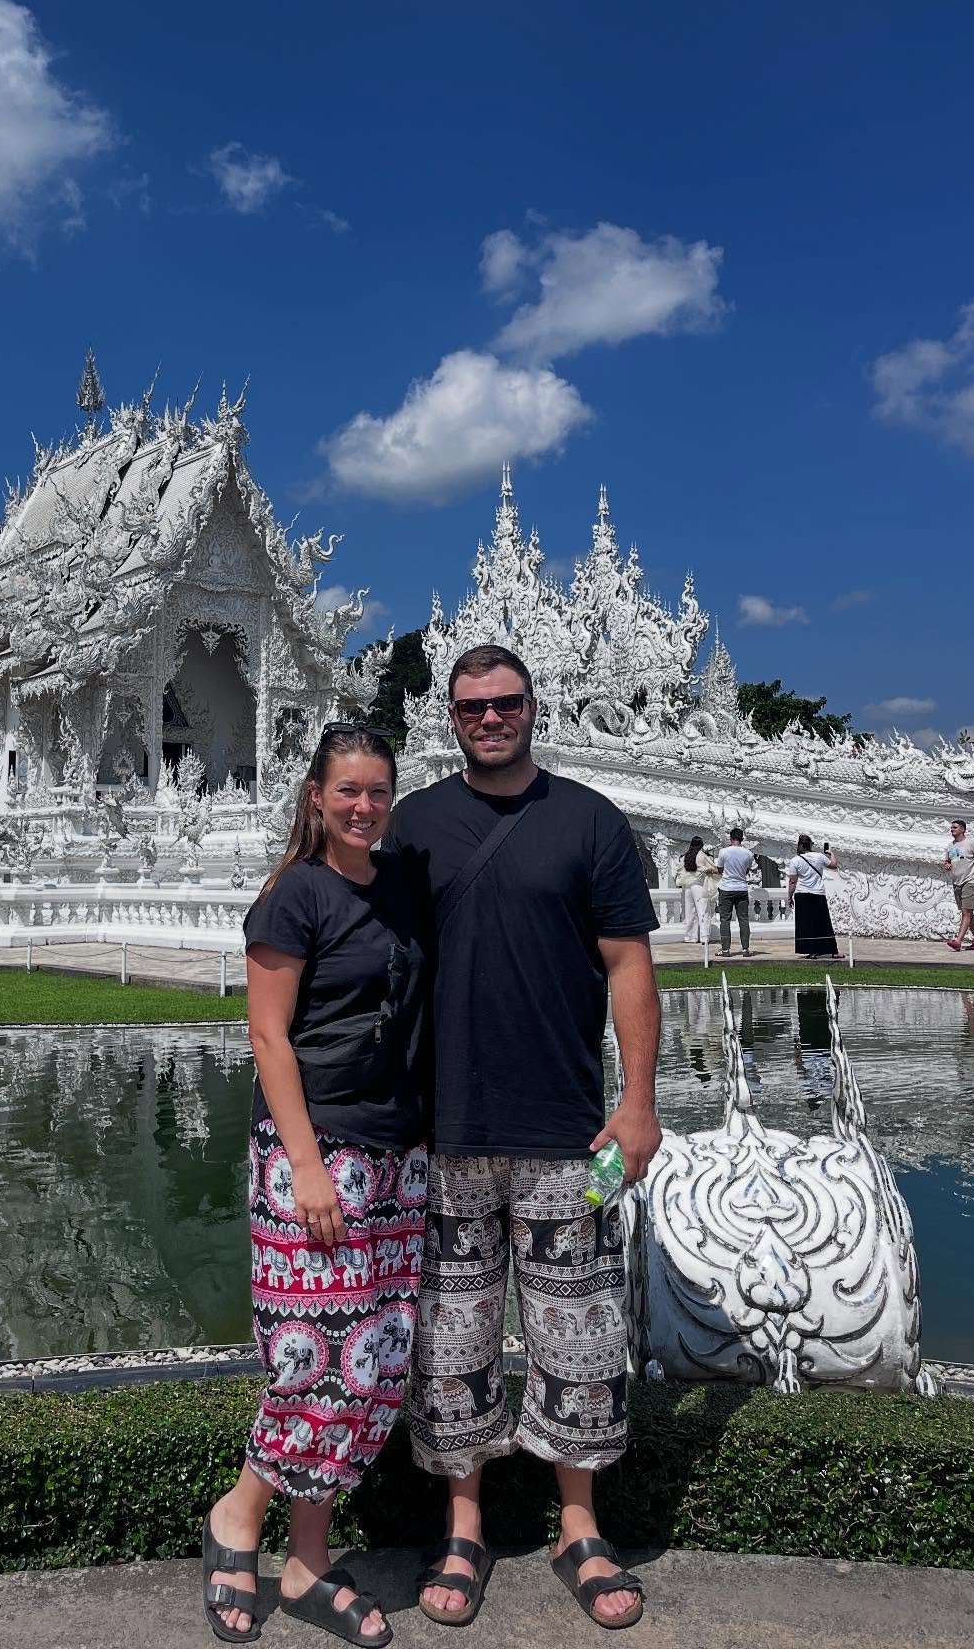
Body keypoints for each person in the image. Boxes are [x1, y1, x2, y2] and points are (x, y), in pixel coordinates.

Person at [382, 645, 660, 1633]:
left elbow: (629, 964)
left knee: (576, 1336)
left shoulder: (587, 821)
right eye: (471, 707)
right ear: (448, 718)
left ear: (534, 709)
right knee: (451, 1343)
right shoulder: (412, 826)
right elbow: (363, 948)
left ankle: (579, 1528)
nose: (489, 718)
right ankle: (464, 1529)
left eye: (505, 703)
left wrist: (637, 1105)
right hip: (443, 1131)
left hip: (568, 1135)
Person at [202, 725, 430, 1646]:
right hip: (316, 1153)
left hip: (395, 1152)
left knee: (372, 1366)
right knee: (314, 1364)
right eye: (349, 793)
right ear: (315, 797)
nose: (365, 808)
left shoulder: (401, 888)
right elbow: (266, 1035)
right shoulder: (294, 895)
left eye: (379, 792)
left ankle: (306, 1561)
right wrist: (303, 1165)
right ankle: (238, 1516)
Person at [785, 834, 839, 959]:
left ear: (799, 846)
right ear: (810, 845)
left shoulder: (795, 860)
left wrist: (789, 897)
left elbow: (792, 881)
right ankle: (831, 950)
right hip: (818, 893)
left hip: (802, 894)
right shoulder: (820, 857)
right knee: (823, 922)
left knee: (806, 924)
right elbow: (834, 865)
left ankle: (811, 950)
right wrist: (831, 853)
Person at [941, 819, 974, 953]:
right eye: (951, 828)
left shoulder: (971, 843)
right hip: (956, 882)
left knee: (965, 912)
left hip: (970, 881)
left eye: (955, 827)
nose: (952, 829)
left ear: (963, 829)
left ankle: (958, 941)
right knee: (968, 913)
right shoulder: (950, 846)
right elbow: (946, 862)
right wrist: (946, 865)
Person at [715, 827, 756, 958]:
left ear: (731, 838)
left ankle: (726, 950)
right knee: (743, 919)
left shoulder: (723, 852)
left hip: (726, 888)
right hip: (741, 888)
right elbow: (747, 870)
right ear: (742, 839)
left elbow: (720, 870)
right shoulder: (748, 853)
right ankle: (745, 949)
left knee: (725, 920)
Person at [675, 835, 718, 944]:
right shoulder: (702, 856)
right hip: (699, 886)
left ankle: (690, 937)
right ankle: (704, 937)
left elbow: (679, 870)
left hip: (687, 888)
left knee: (690, 913)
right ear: (701, 845)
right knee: (703, 911)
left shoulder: (685, 857)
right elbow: (713, 868)